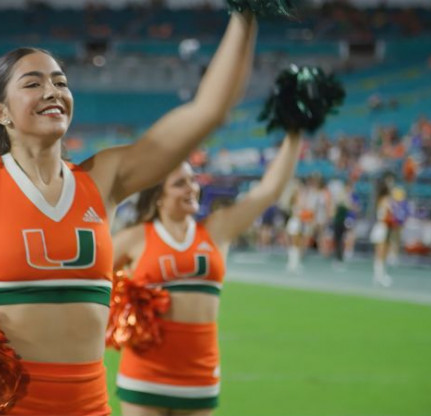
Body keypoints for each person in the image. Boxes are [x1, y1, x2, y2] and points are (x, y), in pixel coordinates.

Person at [0, 11, 257, 416]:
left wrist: (244, 14)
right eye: (33, 83)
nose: (53, 91)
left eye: (60, 82)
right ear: (1, 112)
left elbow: (208, 111)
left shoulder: (104, 178)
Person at [112, 130, 302, 416]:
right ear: (158, 196)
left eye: (193, 180)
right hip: (145, 372)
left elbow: (269, 191)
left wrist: (295, 134)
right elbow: (87, 277)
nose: (191, 188)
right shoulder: (135, 237)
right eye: (180, 183)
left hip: (199, 373)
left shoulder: (217, 230)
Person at [370, 180, 394, 287]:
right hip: (382, 227)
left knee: (381, 254)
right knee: (380, 254)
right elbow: (386, 215)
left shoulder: (381, 199)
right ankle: (378, 276)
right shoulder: (385, 200)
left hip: (383, 227)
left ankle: (379, 275)